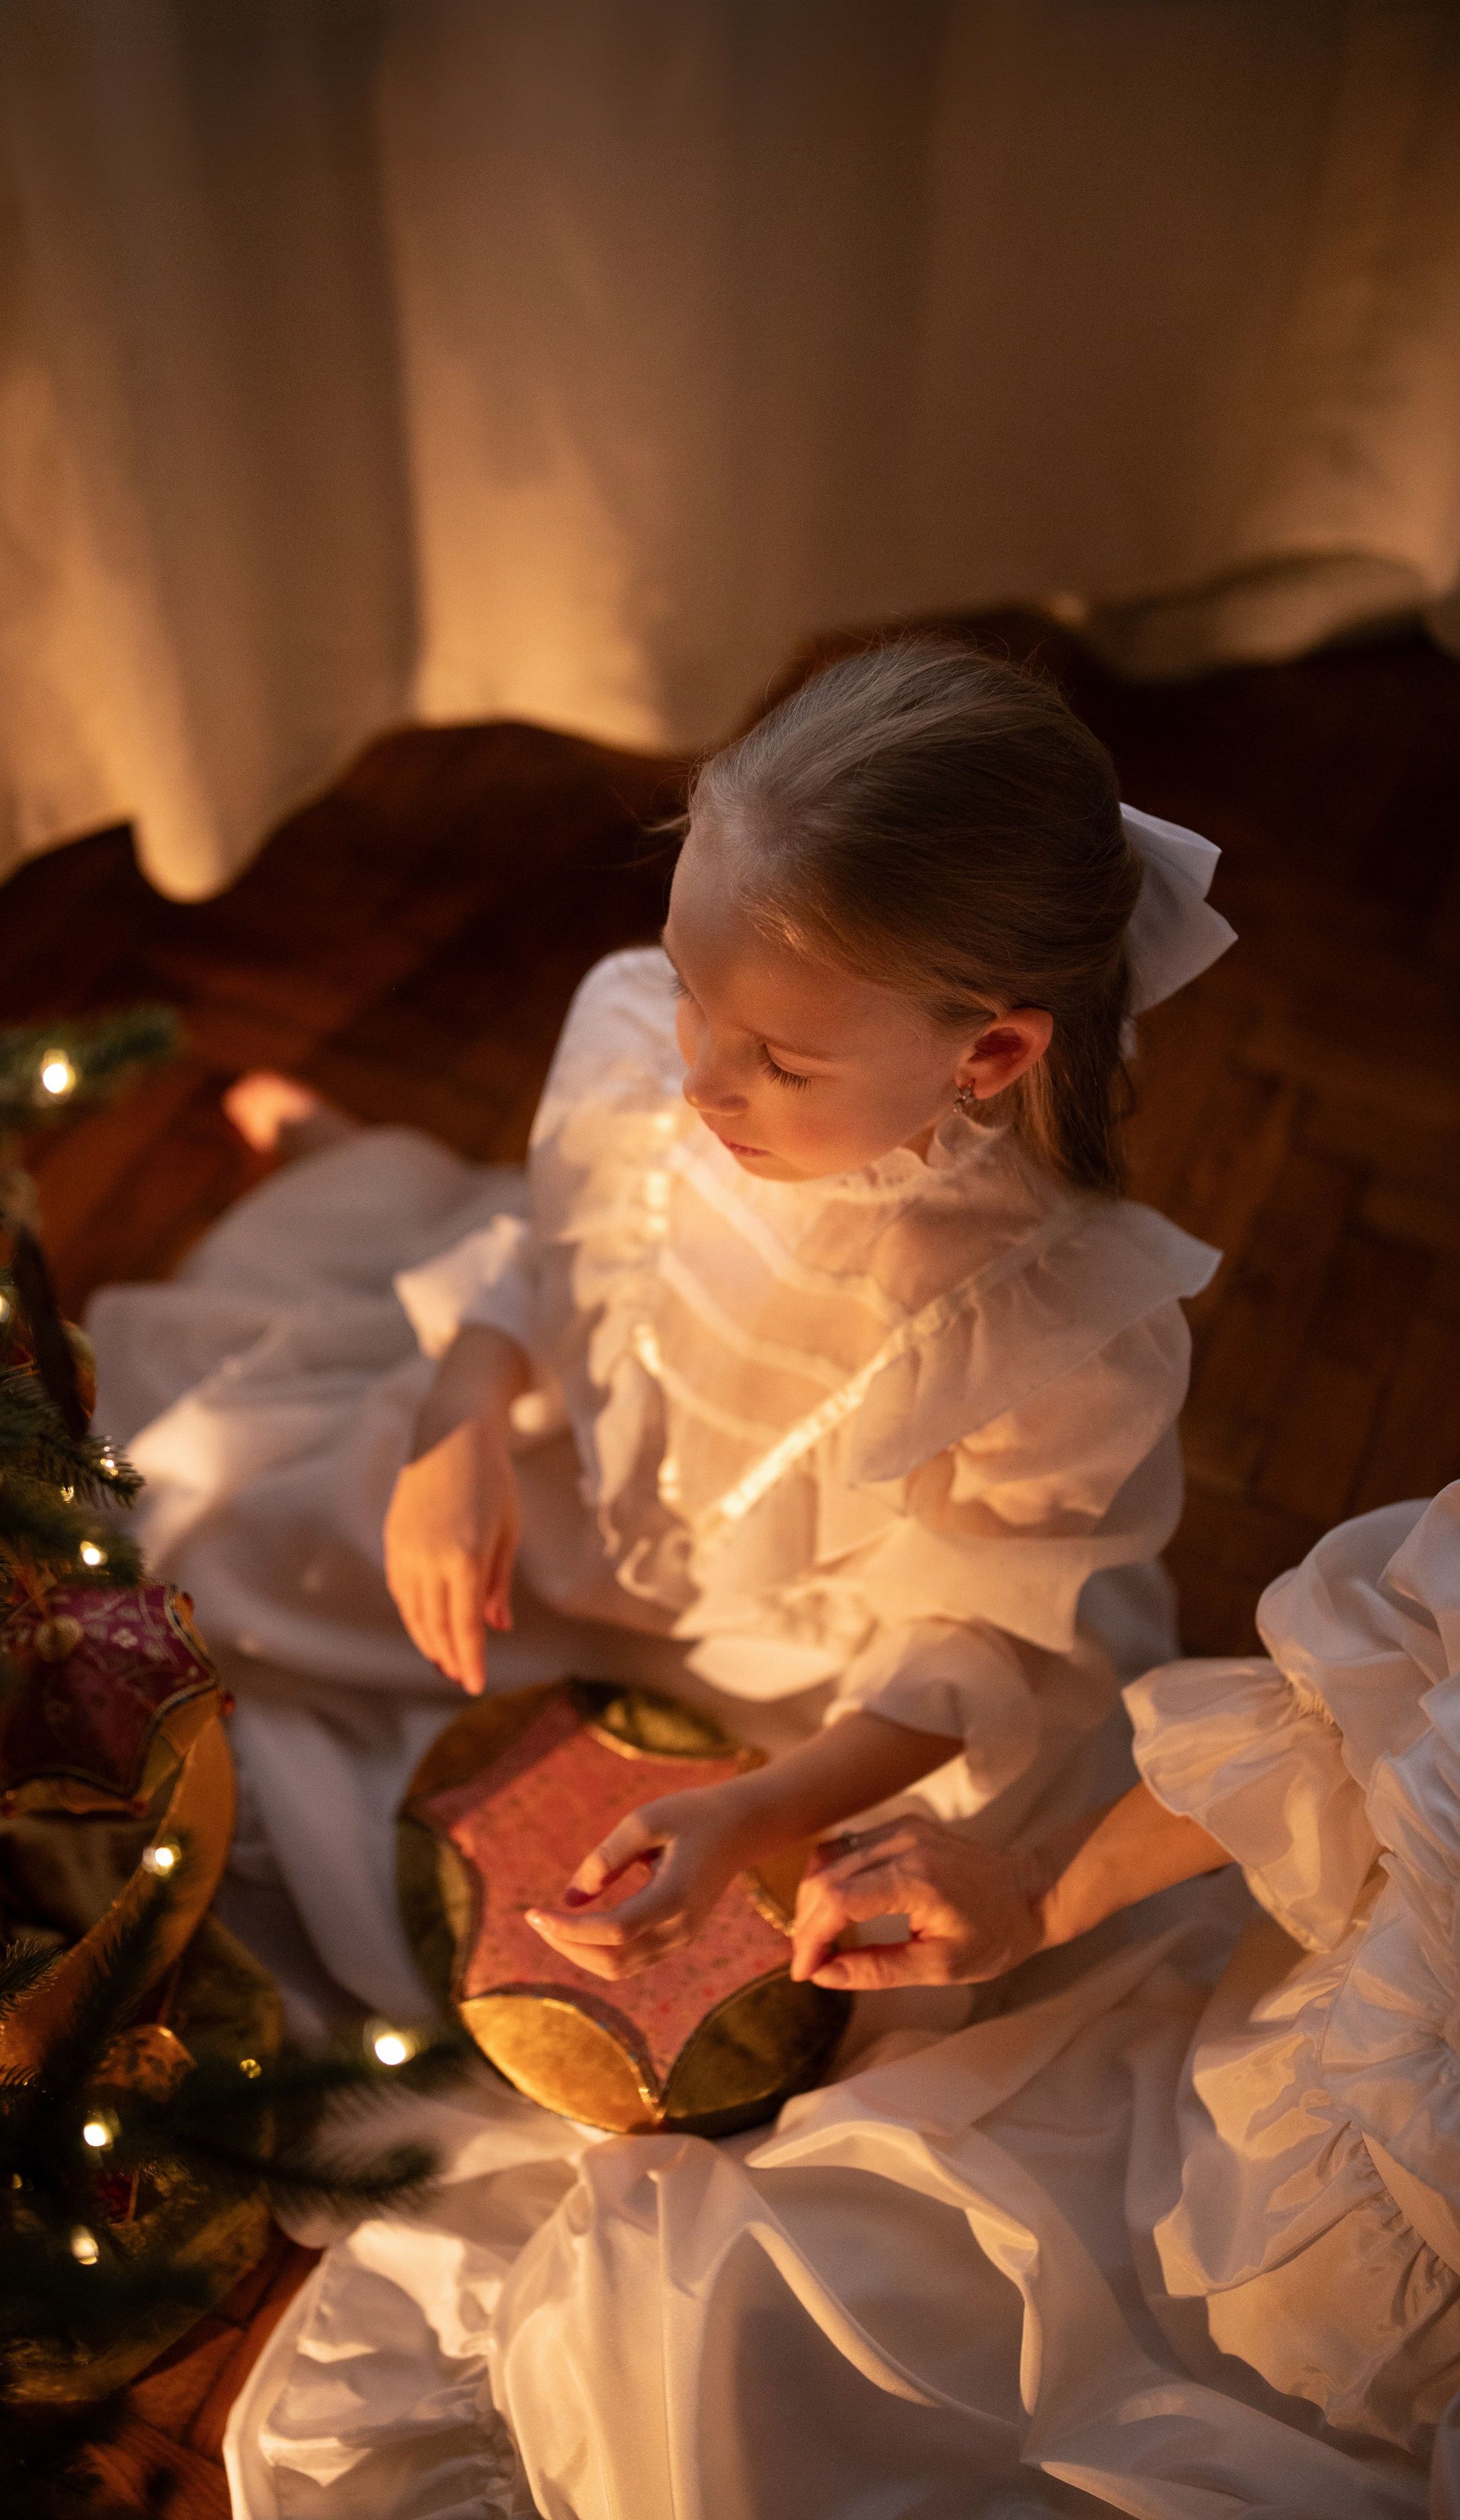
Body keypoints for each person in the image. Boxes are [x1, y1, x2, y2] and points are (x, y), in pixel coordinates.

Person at [86, 637, 1233, 2035]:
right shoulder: (647, 1043)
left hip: (815, 1675)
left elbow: (976, 1644)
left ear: (985, 1057)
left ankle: (364, 1176)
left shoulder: (1052, 1332)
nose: (695, 1079)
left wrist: (755, 1810)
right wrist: (457, 1423)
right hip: (573, 1469)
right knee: (216, 1557)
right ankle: (361, 1178)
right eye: (693, 987)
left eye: (781, 1062)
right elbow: (564, 1256)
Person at [229, 1490, 1460, 2520]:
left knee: (706, 2370)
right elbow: (1348, 1711)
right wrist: (1035, 1891)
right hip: (1247, 2111)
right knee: (710, 2337)